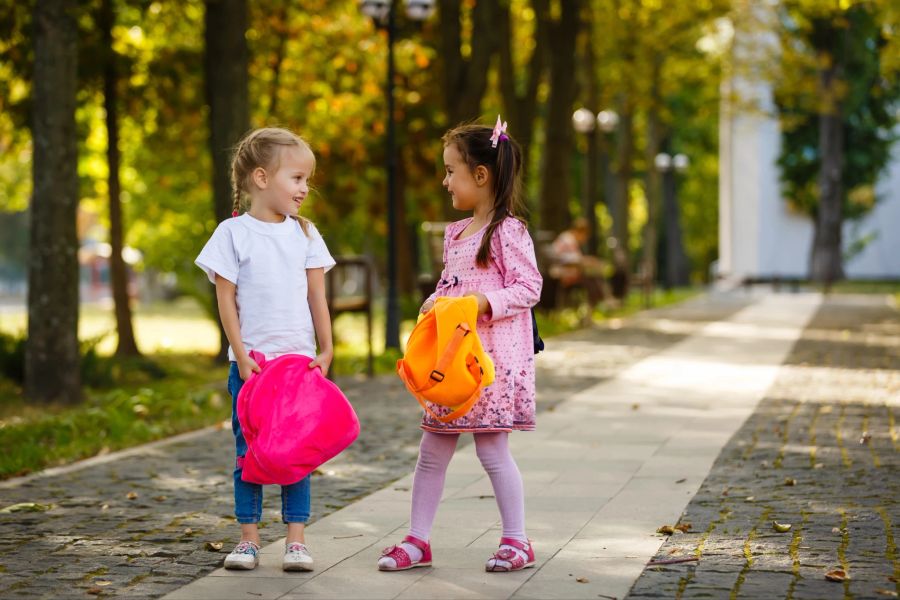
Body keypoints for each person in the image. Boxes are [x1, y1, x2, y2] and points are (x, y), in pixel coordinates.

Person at [377, 117, 543, 573]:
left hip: (487, 366)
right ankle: (417, 540)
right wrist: (433, 306)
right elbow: (448, 286)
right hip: (448, 365)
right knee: (431, 453)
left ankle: (517, 540)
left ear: (481, 176)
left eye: (451, 170)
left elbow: (529, 287)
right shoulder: (455, 234)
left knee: (492, 450)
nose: (445, 180)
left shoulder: (508, 231)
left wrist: (481, 302)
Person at [194, 127, 336, 572]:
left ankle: (295, 540)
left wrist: (327, 350)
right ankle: (249, 538)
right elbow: (226, 299)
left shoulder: (306, 235)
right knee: (248, 450)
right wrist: (241, 352)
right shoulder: (232, 234)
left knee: (296, 451)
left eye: (306, 180)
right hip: (253, 367)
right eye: (296, 179)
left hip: (297, 365)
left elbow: (317, 297)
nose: (304, 189)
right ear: (260, 178)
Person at [550, 217, 613, 320]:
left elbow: (575, 259)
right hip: (562, 274)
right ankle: (602, 302)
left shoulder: (568, 238)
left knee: (592, 277)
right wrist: (589, 261)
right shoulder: (568, 239)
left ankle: (601, 302)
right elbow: (573, 260)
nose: (585, 239)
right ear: (581, 232)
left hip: (565, 271)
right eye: (585, 236)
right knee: (592, 279)